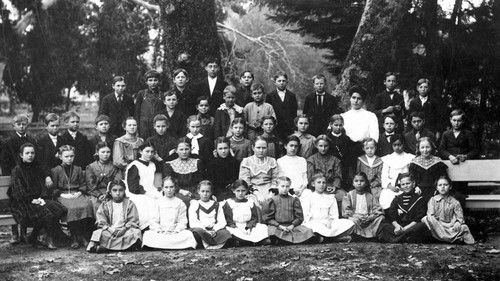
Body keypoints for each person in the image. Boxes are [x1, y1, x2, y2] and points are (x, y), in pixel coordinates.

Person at [8, 143, 67, 249]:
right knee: (47, 213)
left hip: (36, 199)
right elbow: (17, 191)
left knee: (59, 208)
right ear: (21, 155)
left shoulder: (35, 167)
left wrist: (47, 176)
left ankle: (35, 236)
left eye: (32, 153)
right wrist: (31, 200)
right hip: (21, 203)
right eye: (27, 153)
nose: (30, 155)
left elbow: (45, 168)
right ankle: (47, 238)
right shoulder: (17, 170)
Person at [51, 145, 94, 249]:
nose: (69, 158)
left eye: (71, 156)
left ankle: (83, 235)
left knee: (87, 204)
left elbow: (83, 184)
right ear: (60, 157)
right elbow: (53, 188)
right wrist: (63, 194)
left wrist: (79, 193)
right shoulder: (55, 170)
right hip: (63, 195)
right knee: (72, 208)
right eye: (66, 156)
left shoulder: (78, 169)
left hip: (76, 194)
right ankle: (75, 237)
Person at [142, 177, 197, 250]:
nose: (169, 190)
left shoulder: (180, 203)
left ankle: (161, 246)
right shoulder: (157, 202)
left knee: (188, 235)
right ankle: (173, 245)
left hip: (175, 233)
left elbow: (182, 221)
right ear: (162, 188)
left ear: (175, 188)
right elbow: (153, 220)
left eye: (171, 187)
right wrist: (159, 231)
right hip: (161, 233)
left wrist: (176, 231)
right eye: (166, 187)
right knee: (148, 235)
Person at [87, 180, 142, 253]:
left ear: (124, 191)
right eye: (114, 190)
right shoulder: (105, 205)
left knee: (136, 232)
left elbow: (133, 220)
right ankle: (127, 247)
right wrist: (110, 229)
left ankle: (107, 248)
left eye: (121, 190)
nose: (118, 193)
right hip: (110, 231)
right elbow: (101, 221)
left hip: (125, 231)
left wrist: (124, 228)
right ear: (110, 192)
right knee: (99, 233)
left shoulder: (130, 204)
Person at [301, 173, 355, 243]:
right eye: (319, 182)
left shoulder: (330, 197)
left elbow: (334, 215)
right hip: (314, 222)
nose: (321, 185)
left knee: (349, 223)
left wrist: (330, 221)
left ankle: (327, 238)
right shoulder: (309, 196)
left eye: (324, 183)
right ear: (313, 184)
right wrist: (310, 221)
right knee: (311, 227)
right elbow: (306, 213)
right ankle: (332, 238)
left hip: (327, 222)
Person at [378, 173, 430, 243]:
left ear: (413, 183)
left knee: (422, 226)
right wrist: (397, 226)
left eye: (408, 183)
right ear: (400, 185)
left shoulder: (420, 199)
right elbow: (392, 216)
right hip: (399, 226)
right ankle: (406, 238)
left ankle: (398, 238)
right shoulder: (397, 199)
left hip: (412, 226)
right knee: (384, 226)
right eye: (403, 184)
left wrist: (405, 229)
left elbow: (418, 218)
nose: (405, 186)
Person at [422, 176, 475, 244]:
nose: (442, 187)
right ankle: (452, 238)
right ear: (437, 188)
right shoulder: (433, 200)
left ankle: (443, 238)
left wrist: (457, 223)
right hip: (438, 225)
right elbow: (431, 215)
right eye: (440, 185)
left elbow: (460, 217)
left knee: (463, 227)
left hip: (450, 226)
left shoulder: (455, 202)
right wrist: (441, 224)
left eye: (445, 185)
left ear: (450, 187)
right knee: (427, 219)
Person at [262, 177, 314, 245]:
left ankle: (283, 240)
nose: (285, 189)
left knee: (308, 231)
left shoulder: (294, 200)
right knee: (273, 231)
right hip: (278, 226)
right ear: (277, 186)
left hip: (291, 226)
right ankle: (281, 239)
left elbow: (299, 217)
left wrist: (292, 225)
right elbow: (268, 218)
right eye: (282, 186)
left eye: (287, 186)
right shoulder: (272, 200)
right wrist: (279, 226)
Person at [124, 141, 161, 230]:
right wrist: (146, 193)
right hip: (137, 193)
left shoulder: (153, 164)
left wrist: (158, 190)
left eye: (152, 152)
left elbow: (157, 182)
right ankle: (145, 230)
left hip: (151, 190)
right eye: (147, 151)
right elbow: (132, 187)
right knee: (146, 207)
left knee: (161, 201)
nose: (150, 154)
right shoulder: (134, 165)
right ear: (140, 151)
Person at [222, 180, 270, 246]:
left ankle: (247, 241)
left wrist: (249, 227)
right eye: (238, 191)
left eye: (243, 191)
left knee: (263, 227)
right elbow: (229, 220)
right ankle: (244, 241)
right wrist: (237, 228)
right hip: (235, 227)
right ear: (233, 191)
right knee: (228, 231)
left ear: (246, 191)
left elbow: (254, 218)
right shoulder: (229, 203)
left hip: (248, 226)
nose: (240, 193)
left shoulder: (250, 202)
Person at [189, 180, 232, 249]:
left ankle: (217, 244)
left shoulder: (216, 205)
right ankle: (202, 244)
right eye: (202, 191)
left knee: (226, 233)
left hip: (214, 230)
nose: (205, 194)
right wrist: (205, 230)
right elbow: (193, 221)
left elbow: (222, 221)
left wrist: (214, 229)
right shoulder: (195, 204)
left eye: (207, 191)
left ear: (211, 192)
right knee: (196, 233)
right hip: (202, 230)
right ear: (198, 191)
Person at [342, 172, 385, 239]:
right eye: (356, 181)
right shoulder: (348, 195)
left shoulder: (371, 196)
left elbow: (377, 209)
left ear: (366, 183)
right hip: (356, 218)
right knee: (351, 221)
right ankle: (357, 235)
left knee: (381, 218)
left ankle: (371, 234)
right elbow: (346, 211)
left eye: (362, 181)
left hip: (368, 219)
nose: (359, 183)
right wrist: (357, 216)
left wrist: (370, 217)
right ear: (353, 183)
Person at [162, 138, 204, 206]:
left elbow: (201, 181)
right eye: (181, 149)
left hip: (195, 192)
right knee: (185, 201)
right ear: (176, 151)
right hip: (177, 192)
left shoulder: (197, 162)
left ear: (191, 149)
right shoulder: (170, 165)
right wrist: (180, 191)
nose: (184, 152)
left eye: (186, 149)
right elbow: (169, 183)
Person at [341, 86, 379, 160]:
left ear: (363, 101)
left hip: (365, 150)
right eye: (353, 97)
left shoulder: (370, 116)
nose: (355, 101)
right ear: (350, 99)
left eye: (359, 98)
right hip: (347, 151)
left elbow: (374, 136)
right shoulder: (343, 116)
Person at [379, 135, 415, 210]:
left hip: (406, 186)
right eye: (394, 145)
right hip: (391, 187)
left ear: (403, 144)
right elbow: (384, 176)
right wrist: (390, 187)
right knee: (387, 199)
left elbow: (412, 174)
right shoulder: (388, 159)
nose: (397, 147)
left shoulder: (410, 158)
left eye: (399, 145)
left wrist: (405, 186)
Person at [86, 142, 122, 215]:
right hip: (95, 193)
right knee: (95, 204)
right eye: (103, 152)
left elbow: (117, 181)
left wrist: (109, 193)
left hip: (112, 192)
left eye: (108, 152)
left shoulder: (115, 167)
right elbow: (90, 185)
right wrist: (98, 195)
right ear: (97, 153)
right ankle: (100, 224)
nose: (106, 154)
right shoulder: (91, 167)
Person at [239, 136, 278, 204]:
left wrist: (271, 193)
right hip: (252, 191)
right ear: (253, 148)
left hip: (270, 190)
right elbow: (245, 181)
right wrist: (257, 194)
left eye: (264, 148)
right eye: (258, 148)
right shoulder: (246, 162)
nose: (261, 150)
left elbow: (276, 178)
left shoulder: (272, 161)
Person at [409, 137, 448, 203]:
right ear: (419, 149)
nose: (425, 150)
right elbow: (412, 178)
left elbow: (443, 177)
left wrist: (438, 188)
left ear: (432, 147)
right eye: (422, 147)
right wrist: (416, 187)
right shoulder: (414, 163)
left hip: (435, 189)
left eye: (427, 147)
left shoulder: (437, 162)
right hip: (419, 190)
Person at [266, 71, 298, 139]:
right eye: (279, 81)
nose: (281, 83)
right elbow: (268, 113)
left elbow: (294, 113)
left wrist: (294, 127)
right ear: (275, 82)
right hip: (275, 129)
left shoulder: (292, 96)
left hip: (289, 129)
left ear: (287, 82)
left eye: (283, 81)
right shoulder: (270, 96)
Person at [326, 114, 353, 190]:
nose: (338, 127)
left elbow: (349, 155)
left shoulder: (347, 139)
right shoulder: (327, 138)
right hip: (331, 166)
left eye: (340, 125)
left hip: (344, 167)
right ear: (331, 125)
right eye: (336, 125)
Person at [135, 70, 164, 139]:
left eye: (155, 80)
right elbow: (137, 111)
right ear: (146, 82)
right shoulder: (141, 94)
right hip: (144, 126)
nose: (153, 83)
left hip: (157, 126)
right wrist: (137, 128)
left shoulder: (162, 95)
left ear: (159, 81)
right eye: (150, 80)